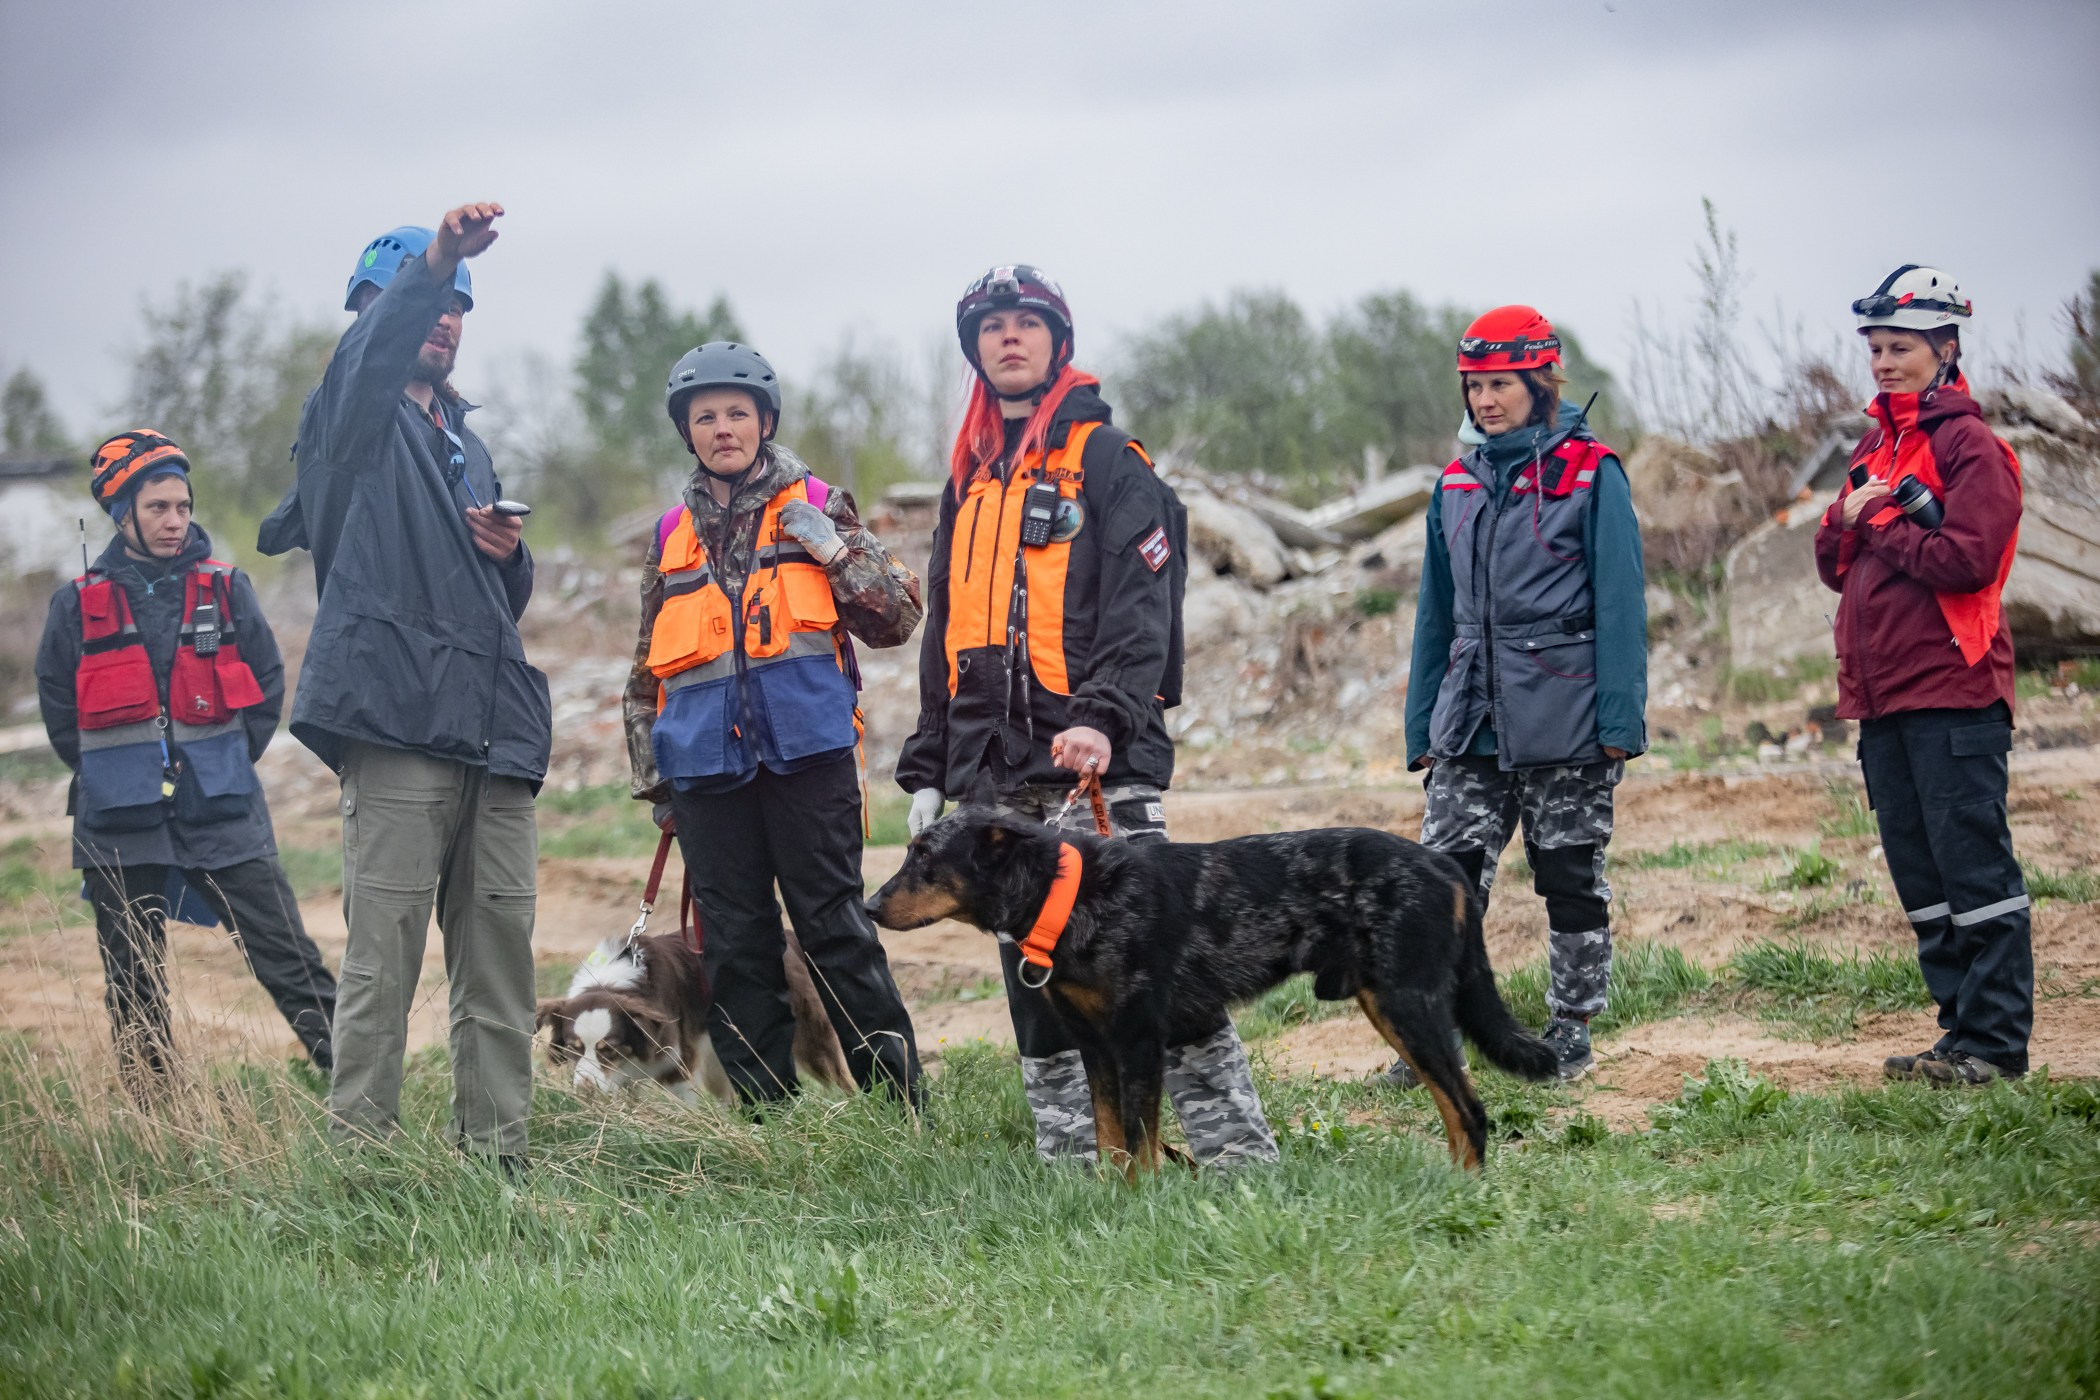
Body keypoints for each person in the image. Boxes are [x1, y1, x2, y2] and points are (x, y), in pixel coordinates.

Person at [897, 265, 1278, 1167]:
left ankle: (1237, 1159)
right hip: (997, 776)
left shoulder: (1110, 462)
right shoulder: (971, 480)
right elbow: (944, 635)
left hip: (1096, 763)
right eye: (992, 328)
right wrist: (929, 766)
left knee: (1156, 969)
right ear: (976, 350)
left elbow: (1144, 614)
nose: (1009, 338)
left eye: (1027, 323)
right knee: (1035, 975)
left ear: (1057, 343)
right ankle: (1075, 1160)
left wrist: (1105, 719)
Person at [264, 204, 550, 1168]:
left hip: (491, 730)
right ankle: (361, 1172)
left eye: (458, 304)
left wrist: (508, 557)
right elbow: (370, 357)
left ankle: (498, 1163)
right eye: (424, 302)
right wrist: (433, 260)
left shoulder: (469, 444)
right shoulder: (349, 424)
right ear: (368, 314)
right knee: (380, 968)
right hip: (393, 724)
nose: (443, 317)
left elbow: (495, 599)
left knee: (502, 968)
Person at [623, 341, 924, 1106]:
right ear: (686, 432)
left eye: (737, 413)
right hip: (705, 775)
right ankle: (766, 1116)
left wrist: (830, 547)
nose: (723, 428)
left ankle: (901, 1101)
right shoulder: (669, 536)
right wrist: (656, 783)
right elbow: (643, 676)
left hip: (809, 760)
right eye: (705, 417)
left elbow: (896, 618)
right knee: (735, 945)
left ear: (764, 421)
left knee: (835, 931)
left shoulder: (820, 503)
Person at [35, 430, 337, 1101]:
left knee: (288, 957)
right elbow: (60, 711)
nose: (175, 521)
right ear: (123, 516)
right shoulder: (74, 605)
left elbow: (263, 690)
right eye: (157, 509)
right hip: (118, 817)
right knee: (133, 981)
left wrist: (219, 763)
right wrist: (121, 772)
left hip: (224, 805)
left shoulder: (228, 590)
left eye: (181, 506)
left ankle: (361, 1093)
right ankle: (158, 1116)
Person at [1403, 305, 1647, 1081]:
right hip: (1469, 718)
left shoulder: (1592, 471)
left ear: (1541, 382)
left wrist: (1619, 719)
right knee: (1441, 880)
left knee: (1570, 877)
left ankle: (1571, 1026)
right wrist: (1422, 725)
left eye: (1500, 383)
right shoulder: (1455, 482)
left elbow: (1621, 603)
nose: (1484, 401)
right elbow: (1435, 613)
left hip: (1565, 716)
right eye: (1473, 385)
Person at [1815, 266, 2030, 1086]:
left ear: (1945, 348)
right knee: (1925, 881)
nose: (1882, 363)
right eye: (1874, 348)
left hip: (1956, 691)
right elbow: (1833, 560)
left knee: (1976, 875)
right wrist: (1850, 520)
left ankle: (1998, 1049)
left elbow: (1969, 561)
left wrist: (1880, 529)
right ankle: (1959, 1035)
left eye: (1899, 347)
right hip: (1885, 699)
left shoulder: (1970, 446)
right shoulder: (1878, 445)